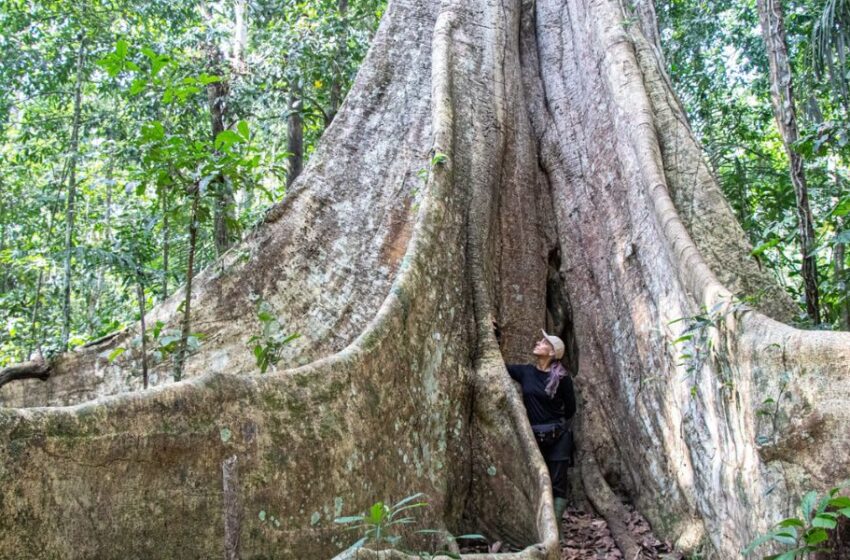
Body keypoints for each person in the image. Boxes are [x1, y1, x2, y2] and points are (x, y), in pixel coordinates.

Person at [505, 329, 576, 537]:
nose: (538, 342)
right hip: (533, 438)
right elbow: (497, 366)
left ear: (552, 353)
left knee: (558, 484)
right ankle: (537, 527)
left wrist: (557, 425)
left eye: (544, 342)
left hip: (558, 438)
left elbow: (571, 408)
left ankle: (554, 531)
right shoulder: (525, 372)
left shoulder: (562, 379)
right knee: (535, 479)